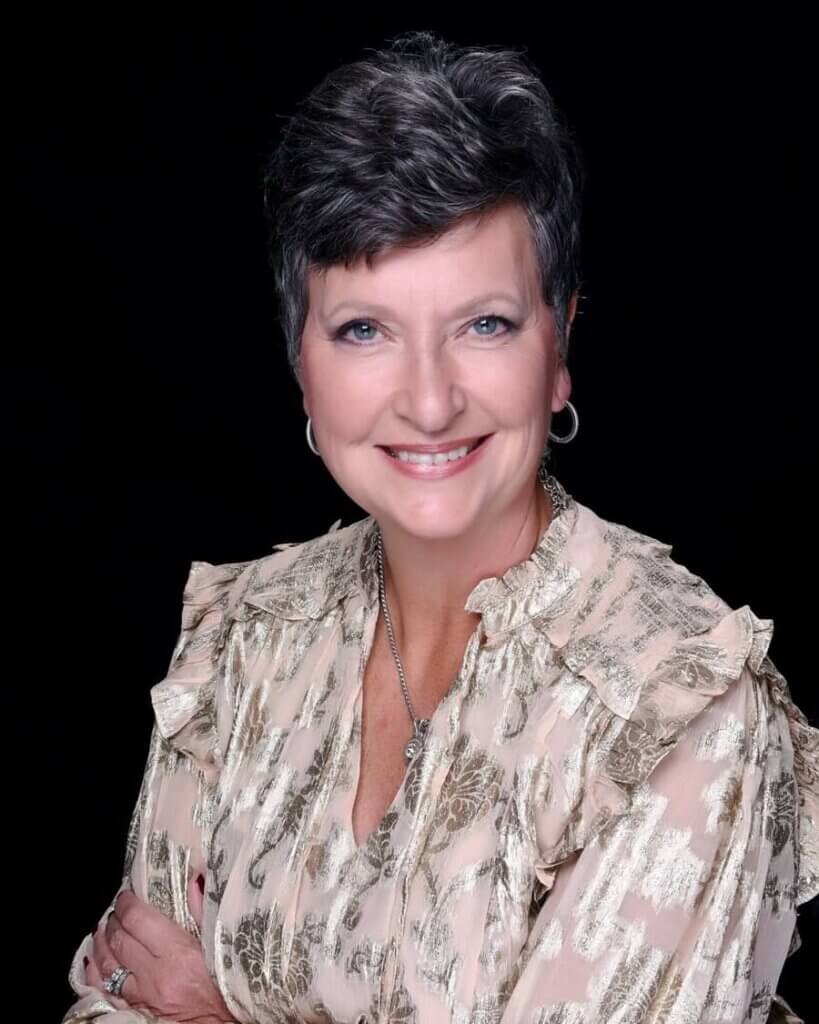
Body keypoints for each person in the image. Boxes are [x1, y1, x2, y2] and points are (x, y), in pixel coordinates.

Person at [64, 30, 817, 1024]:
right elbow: (112, 1003)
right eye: (365, 329)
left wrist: (217, 1016)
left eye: (484, 325)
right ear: (302, 364)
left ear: (560, 348)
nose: (427, 401)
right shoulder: (244, 633)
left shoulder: (679, 708)